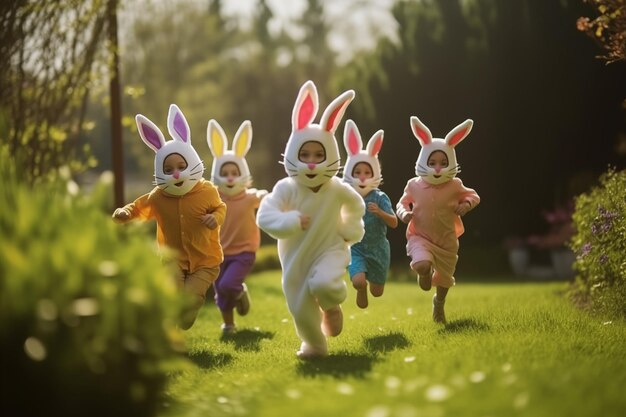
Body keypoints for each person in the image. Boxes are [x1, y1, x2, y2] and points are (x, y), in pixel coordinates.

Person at [256, 80, 365, 359]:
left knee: (325, 284)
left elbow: (356, 206)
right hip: (295, 259)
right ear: (293, 153)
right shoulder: (285, 188)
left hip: (330, 248)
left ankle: (331, 306)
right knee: (299, 306)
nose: (312, 163)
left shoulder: (338, 188)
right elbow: (265, 216)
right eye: (304, 155)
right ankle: (315, 345)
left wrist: (349, 229)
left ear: (331, 154)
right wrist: (289, 220)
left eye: (319, 155)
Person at [112, 104, 225, 330]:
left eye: (182, 166)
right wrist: (122, 213)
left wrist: (216, 218)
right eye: (169, 168)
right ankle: (169, 331)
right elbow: (137, 208)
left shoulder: (208, 191)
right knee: (172, 295)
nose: (176, 173)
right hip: (172, 259)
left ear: (191, 162)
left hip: (205, 261)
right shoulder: (158, 196)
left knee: (190, 298)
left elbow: (220, 208)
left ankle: (187, 311)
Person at [396, 116, 480, 324]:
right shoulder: (414, 185)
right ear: (423, 160)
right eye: (432, 162)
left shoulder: (455, 185)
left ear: (451, 161)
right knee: (423, 266)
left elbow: (473, 196)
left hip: (447, 240)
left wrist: (466, 205)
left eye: (443, 163)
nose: (437, 168)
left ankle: (439, 303)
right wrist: (404, 213)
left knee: (444, 279)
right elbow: (402, 203)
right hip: (420, 236)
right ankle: (424, 272)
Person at [207, 119, 268, 335]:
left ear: (242, 173)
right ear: (217, 174)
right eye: (225, 173)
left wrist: (264, 196)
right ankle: (229, 325)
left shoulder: (250, 197)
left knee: (228, 285)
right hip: (219, 252)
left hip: (244, 251)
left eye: (235, 172)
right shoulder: (213, 198)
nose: (230, 177)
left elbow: (263, 198)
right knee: (220, 292)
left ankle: (240, 291)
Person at [341, 119, 398, 308]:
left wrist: (380, 212)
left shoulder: (380, 197)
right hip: (356, 248)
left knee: (377, 291)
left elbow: (394, 222)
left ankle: (369, 288)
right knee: (358, 281)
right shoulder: (347, 196)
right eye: (357, 172)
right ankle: (360, 287)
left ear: (375, 172)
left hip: (378, 248)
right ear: (350, 172)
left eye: (367, 171)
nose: (362, 177)